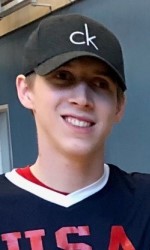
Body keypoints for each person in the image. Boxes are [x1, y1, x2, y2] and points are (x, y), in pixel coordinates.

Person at [0, 13, 149, 250]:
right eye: (62, 77)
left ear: (119, 106)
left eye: (100, 83)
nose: (82, 99)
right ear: (26, 91)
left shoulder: (144, 204)